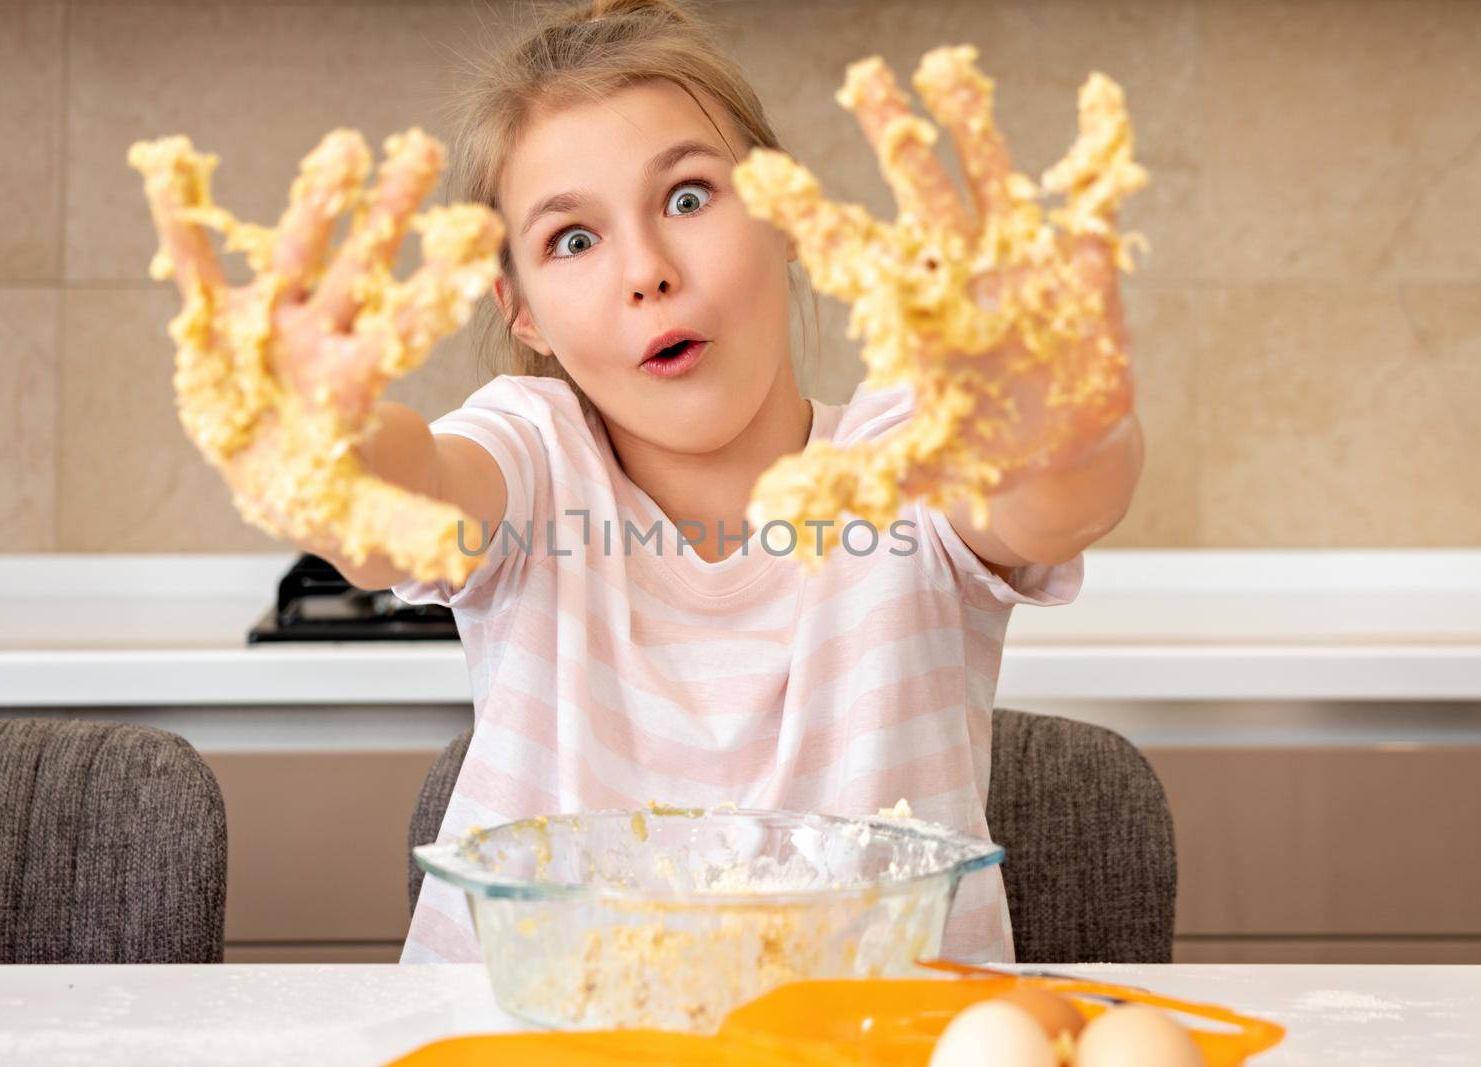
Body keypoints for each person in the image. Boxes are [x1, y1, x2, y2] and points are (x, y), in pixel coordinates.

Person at [142, 0, 1144, 965]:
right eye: (571, 239)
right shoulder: (533, 458)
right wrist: (325, 439)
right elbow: (401, 506)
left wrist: (1056, 413)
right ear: (521, 310)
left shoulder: (911, 456)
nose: (646, 270)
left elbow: (1054, 496)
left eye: (687, 196)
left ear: (785, 211)